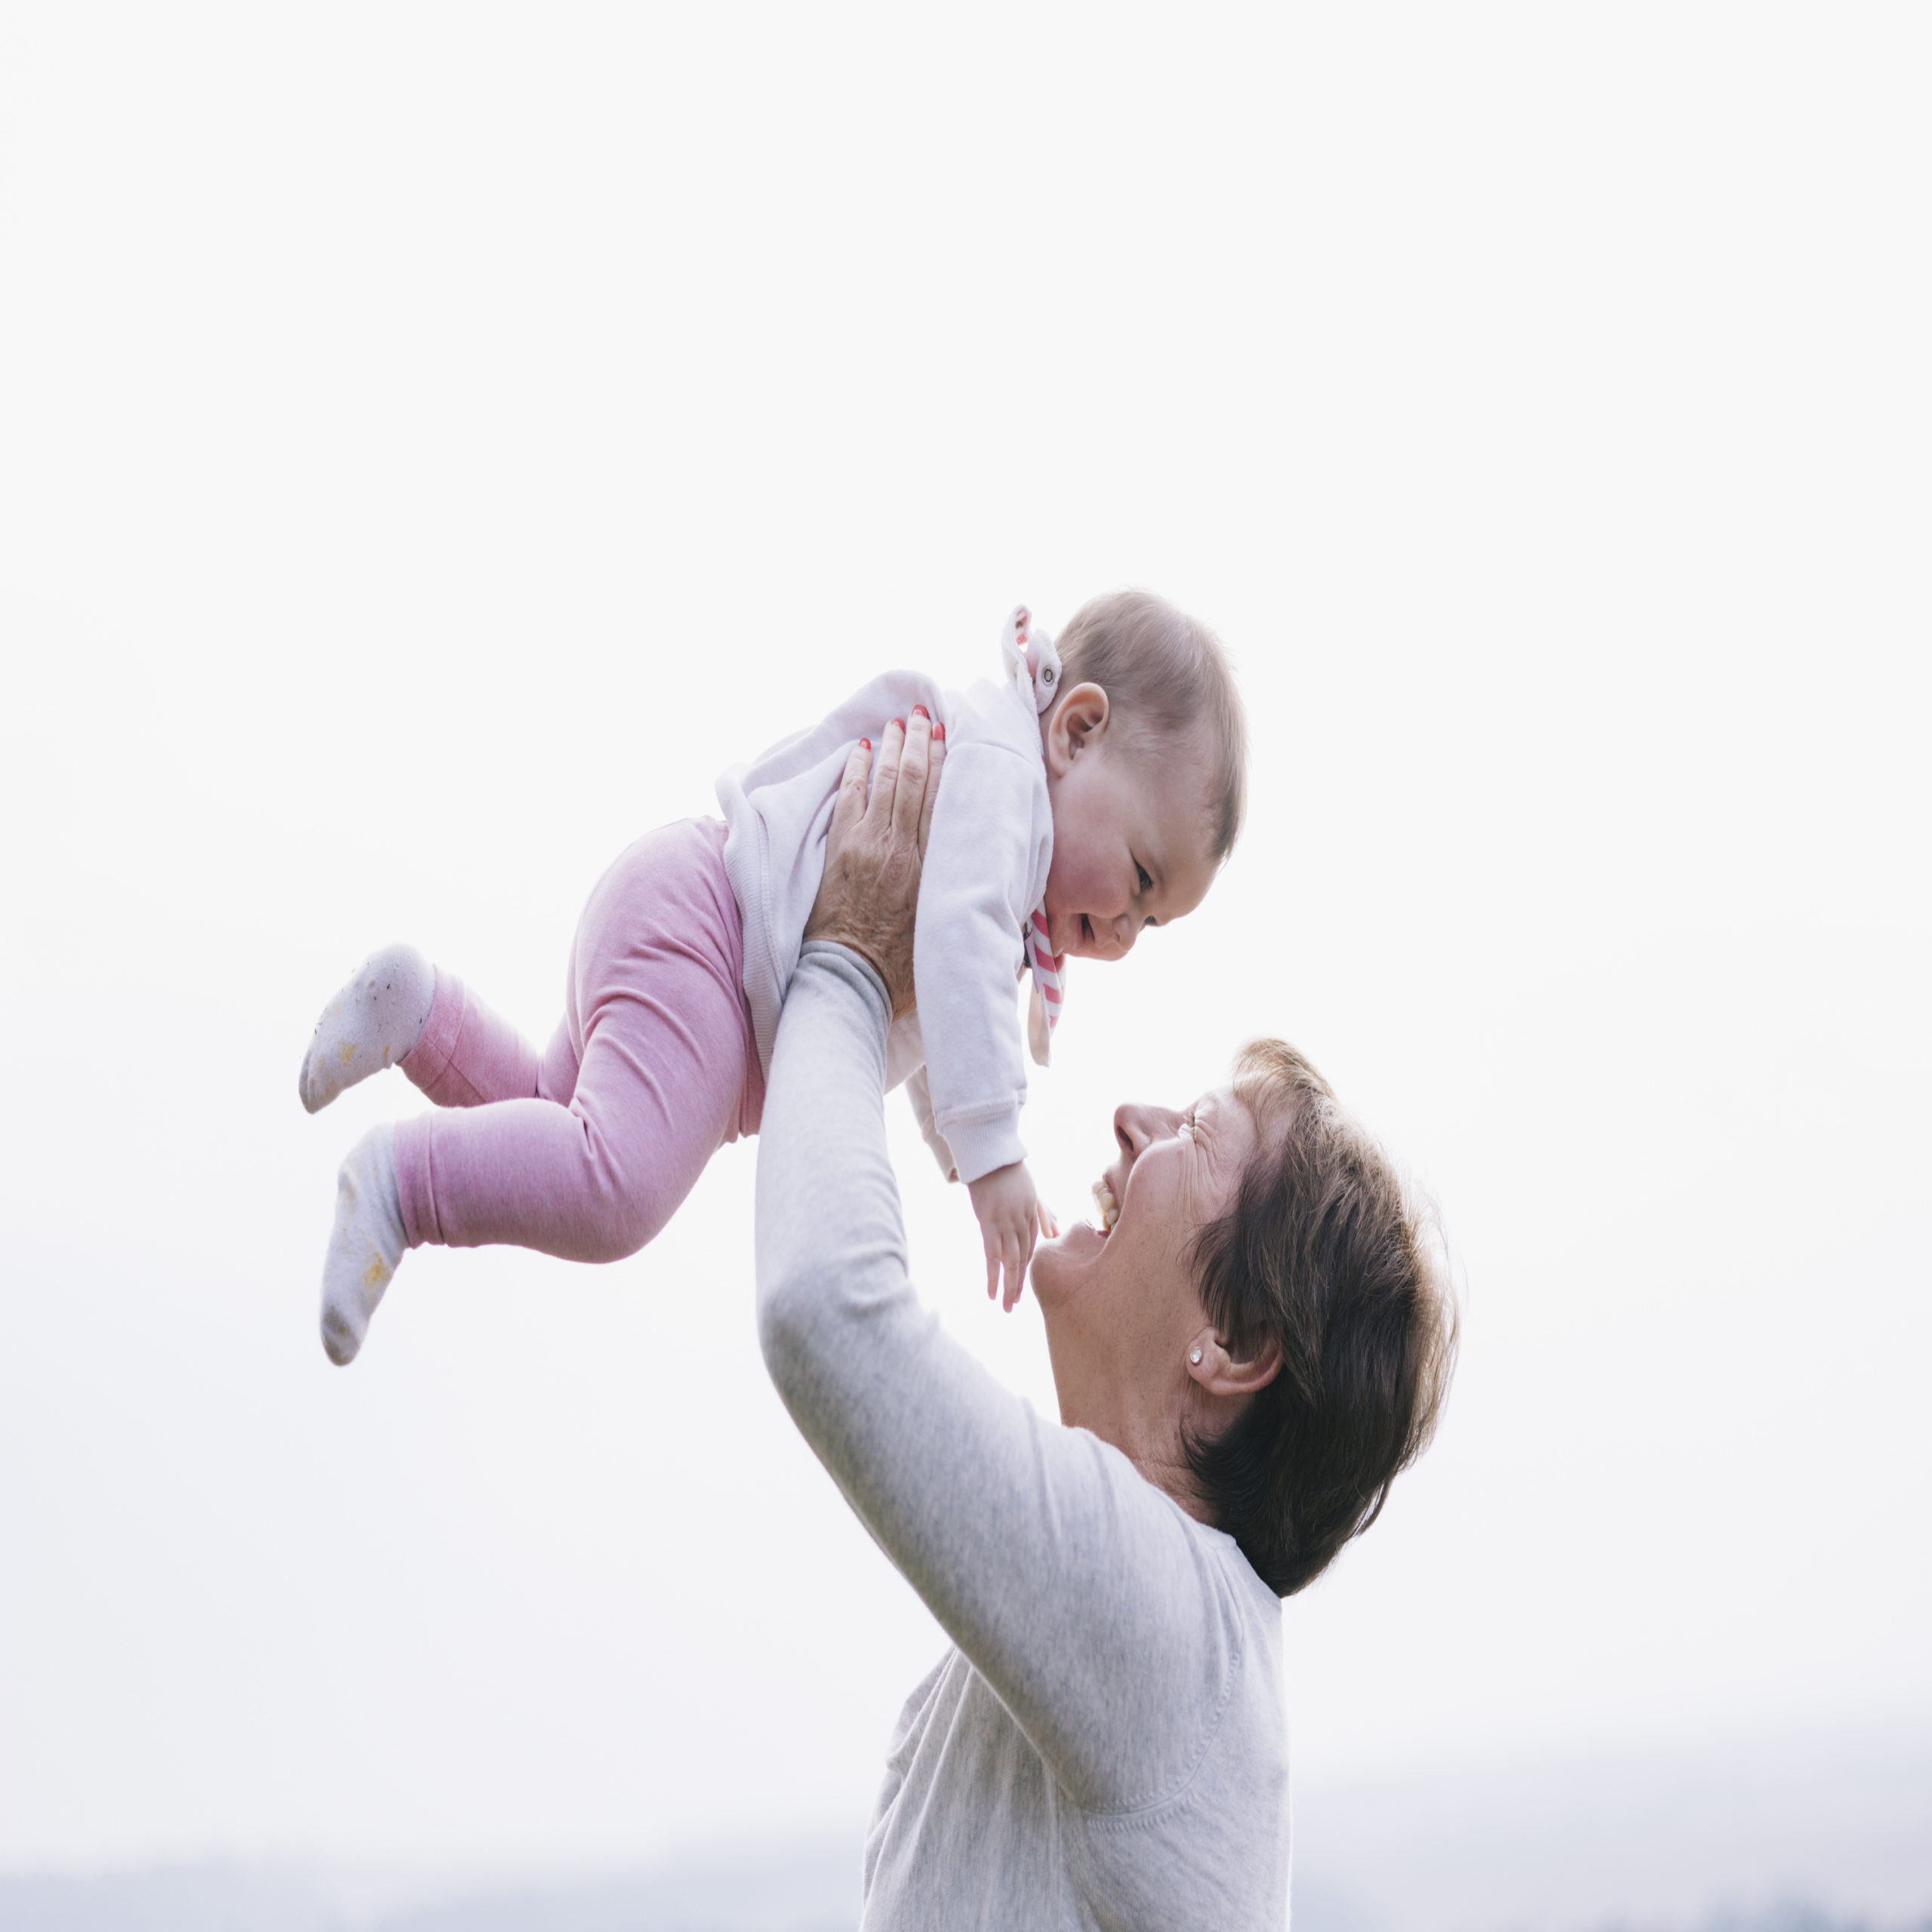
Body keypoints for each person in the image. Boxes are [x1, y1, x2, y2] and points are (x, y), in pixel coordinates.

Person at [760, 709, 1457, 1929]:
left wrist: (850, 963)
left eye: (1196, 1133)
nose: (1132, 1117)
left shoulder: (1164, 1635)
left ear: (1234, 1351)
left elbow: (826, 1309)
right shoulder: (1115, 1653)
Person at [296, 592, 1246, 1363]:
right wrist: (994, 1150)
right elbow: (954, 948)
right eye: (1141, 877)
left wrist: (954, 1148)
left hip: (681, 905)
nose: (1124, 929)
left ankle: (420, 1014)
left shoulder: (994, 845)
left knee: (551, 1112)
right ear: (1077, 731)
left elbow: (924, 1014)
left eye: (1151, 925)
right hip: (708, 946)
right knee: (614, 1189)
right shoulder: (1003, 793)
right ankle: (401, 1184)